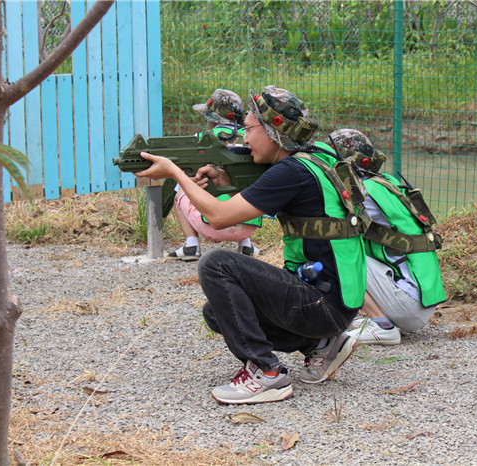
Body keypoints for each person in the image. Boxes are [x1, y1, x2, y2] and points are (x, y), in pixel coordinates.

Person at [135, 86, 367, 404]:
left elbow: (218, 217)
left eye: (248, 128)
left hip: (321, 304)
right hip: (337, 304)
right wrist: (224, 178)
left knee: (216, 263)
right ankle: (320, 345)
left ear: (273, 131)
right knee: (218, 313)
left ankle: (266, 372)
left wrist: (176, 173)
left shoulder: (290, 171)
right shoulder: (317, 159)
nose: (244, 138)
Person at [329, 129, 446, 345]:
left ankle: (382, 325)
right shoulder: (384, 182)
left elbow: (332, 223)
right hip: (421, 301)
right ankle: (375, 317)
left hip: (408, 304)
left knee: (335, 252)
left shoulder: (365, 193)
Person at [166, 89, 261, 261]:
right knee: (244, 188)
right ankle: (246, 246)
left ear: (212, 120)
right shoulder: (251, 139)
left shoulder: (201, 139)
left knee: (181, 188)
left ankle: (191, 244)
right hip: (249, 224)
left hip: (210, 224)